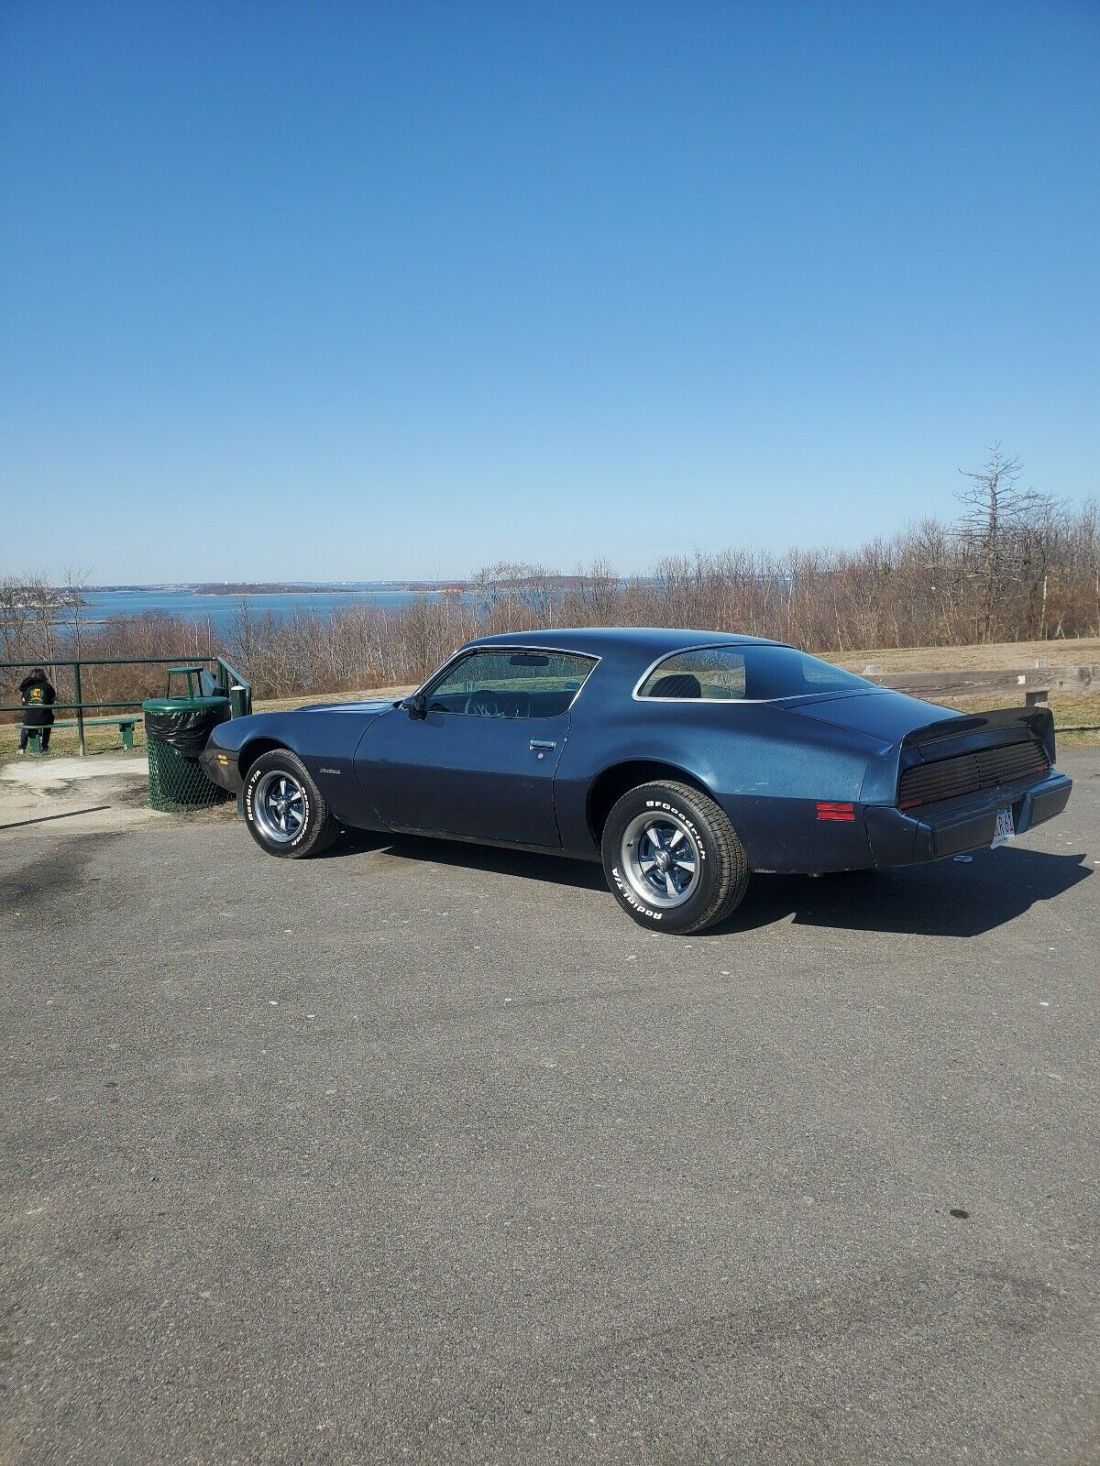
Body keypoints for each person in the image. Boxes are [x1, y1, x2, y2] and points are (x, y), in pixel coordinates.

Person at [18, 667, 56, 754]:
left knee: (26, 723)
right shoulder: (47, 687)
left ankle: (22, 747)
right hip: (45, 718)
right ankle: (45, 746)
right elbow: (52, 700)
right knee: (48, 721)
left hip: (29, 719)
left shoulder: (26, 688)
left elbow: (23, 703)